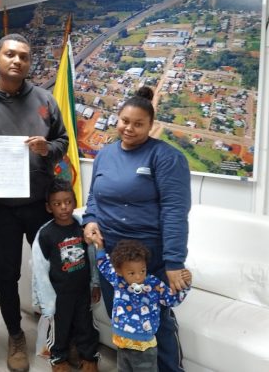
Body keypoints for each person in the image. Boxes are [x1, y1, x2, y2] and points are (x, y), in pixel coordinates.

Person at [0, 33, 69, 372]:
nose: (17, 61)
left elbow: (63, 141)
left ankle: (59, 334)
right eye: (10, 54)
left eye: (24, 56)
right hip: (1, 210)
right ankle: (15, 335)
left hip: (41, 205)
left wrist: (47, 148)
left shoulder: (44, 99)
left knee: (54, 269)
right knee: (7, 273)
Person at [82, 86, 192, 372]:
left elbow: (175, 212)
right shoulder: (105, 154)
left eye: (138, 124)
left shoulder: (166, 157)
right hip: (111, 255)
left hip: (149, 256)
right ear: (117, 119)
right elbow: (94, 196)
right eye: (125, 121)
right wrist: (90, 220)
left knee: (158, 322)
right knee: (122, 317)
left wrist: (174, 261)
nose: (129, 128)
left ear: (151, 125)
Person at [91, 238, 191, 372]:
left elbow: (172, 300)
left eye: (142, 270)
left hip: (144, 346)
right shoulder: (117, 279)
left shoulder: (153, 284)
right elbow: (103, 264)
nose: (138, 277)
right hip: (121, 341)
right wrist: (99, 246)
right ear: (119, 271)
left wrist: (185, 284)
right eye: (131, 273)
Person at [32, 179, 101, 372]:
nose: (64, 207)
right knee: (60, 330)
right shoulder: (45, 234)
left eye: (68, 202)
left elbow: (92, 257)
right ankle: (59, 359)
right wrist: (45, 301)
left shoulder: (82, 227)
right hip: (59, 295)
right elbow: (40, 270)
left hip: (82, 291)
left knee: (86, 326)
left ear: (75, 202)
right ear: (49, 207)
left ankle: (89, 358)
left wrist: (95, 283)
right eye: (57, 203)